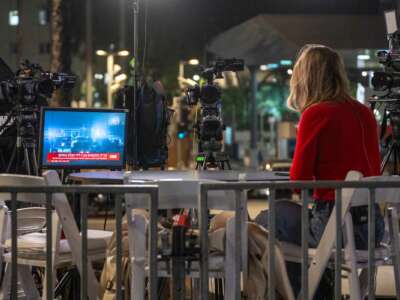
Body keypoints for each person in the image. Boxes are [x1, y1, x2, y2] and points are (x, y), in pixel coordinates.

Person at [287, 44, 385, 298]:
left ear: (305, 78)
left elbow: (298, 182)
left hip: (337, 227)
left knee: (272, 221)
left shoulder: (316, 113)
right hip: (373, 229)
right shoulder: (365, 113)